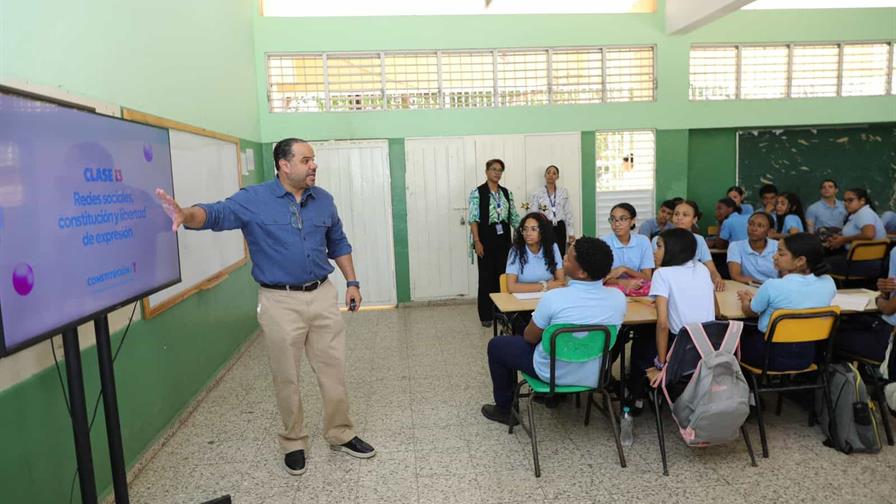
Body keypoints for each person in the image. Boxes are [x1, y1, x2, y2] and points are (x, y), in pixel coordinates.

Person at [154, 138, 374, 476]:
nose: (313, 165)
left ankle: (340, 433)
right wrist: (185, 215)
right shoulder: (253, 200)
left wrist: (353, 282)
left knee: (334, 371)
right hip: (279, 300)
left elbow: (338, 243)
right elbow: (214, 214)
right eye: (306, 160)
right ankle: (294, 442)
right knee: (287, 376)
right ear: (284, 165)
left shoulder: (323, 200)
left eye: (313, 159)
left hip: (322, 295)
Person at [481, 237, 626, 425]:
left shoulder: (554, 298)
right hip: (593, 374)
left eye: (568, 258)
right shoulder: (618, 298)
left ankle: (505, 409)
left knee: (497, 346)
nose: (564, 257)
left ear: (581, 272)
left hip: (551, 372)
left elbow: (529, 337)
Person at [736, 233, 836, 371]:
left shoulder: (772, 286)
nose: (774, 256)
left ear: (800, 260)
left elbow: (749, 311)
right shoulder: (828, 282)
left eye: (781, 253)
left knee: (732, 336)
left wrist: (746, 300)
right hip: (806, 356)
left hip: (768, 356)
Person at [643, 228, 716, 389]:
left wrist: (662, 365)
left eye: (659, 246)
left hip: (679, 349)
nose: (655, 252)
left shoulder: (662, 273)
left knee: (640, 345)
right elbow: (716, 311)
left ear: (673, 249)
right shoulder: (702, 269)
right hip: (708, 348)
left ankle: (635, 399)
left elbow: (663, 325)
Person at [469, 159, 521, 327]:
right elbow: (473, 220)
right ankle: (486, 315)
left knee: (503, 278)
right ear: (486, 171)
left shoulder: (506, 193)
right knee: (486, 278)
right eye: (493, 169)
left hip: (504, 240)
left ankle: (503, 313)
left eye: (500, 170)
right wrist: (477, 241)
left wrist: (523, 232)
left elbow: (513, 217)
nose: (497, 173)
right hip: (485, 238)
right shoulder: (477, 192)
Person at [834, 246, 896, 378]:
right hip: (885, 332)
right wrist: (885, 291)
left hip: (887, 340)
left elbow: (888, 308)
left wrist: (880, 298)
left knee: (831, 336)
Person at [651, 200, 726, 291]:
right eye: (676, 214)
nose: (679, 218)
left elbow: (712, 269)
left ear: (694, 219)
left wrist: (717, 279)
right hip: (668, 288)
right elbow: (657, 270)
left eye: (685, 215)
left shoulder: (699, 240)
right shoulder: (659, 240)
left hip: (694, 287)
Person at [824, 188, 887, 276]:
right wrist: (839, 239)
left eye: (850, 200)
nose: (846, 204)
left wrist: (844, 240)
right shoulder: (858, 214)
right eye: (844, 201)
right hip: (863, 259)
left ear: (862, 201)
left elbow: (869, 234)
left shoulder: (864, 213)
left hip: (861, 262)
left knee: (821, 264)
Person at [601, 203, 654, 294]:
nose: (616, 224)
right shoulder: (602, 242)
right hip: (610, 291)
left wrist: (624, 269)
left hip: (638, 290)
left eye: (622, 219)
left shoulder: (643, 241)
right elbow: (600, 278)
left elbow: (647, 277)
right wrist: (622, 283)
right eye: (613, 219)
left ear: (632, 221)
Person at [505, 212, 565, 293]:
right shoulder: (516, 250)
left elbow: (561, 282)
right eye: (525, 229)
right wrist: (545, 286)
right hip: (521, 301)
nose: (528, 233)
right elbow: (511, 287)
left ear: (543, 231)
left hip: (548, 298)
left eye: (533, 229)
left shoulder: (552, 247)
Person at [528, 165, 576, 256]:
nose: (551, 175)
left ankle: (559, 270)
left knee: (560, 253)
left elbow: (568, 212)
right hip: (545, 226)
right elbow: (533, 214)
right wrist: (534, 230)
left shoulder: (563, 192)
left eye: (554, 173)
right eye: (548, 172)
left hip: (560, 227)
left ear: (557, 177)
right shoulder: (537, 193)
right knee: (546, 253)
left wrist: (571, 233)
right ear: (545, 175)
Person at [727, 211, 779, 285]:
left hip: (774, 288)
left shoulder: (778, 246)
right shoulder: (736, 246)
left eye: (760, 226)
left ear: (770, 231)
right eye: (751, 224)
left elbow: (785, 276)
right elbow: (735, 276)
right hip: (748, 288)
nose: (754, 229)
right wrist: (760, 285)